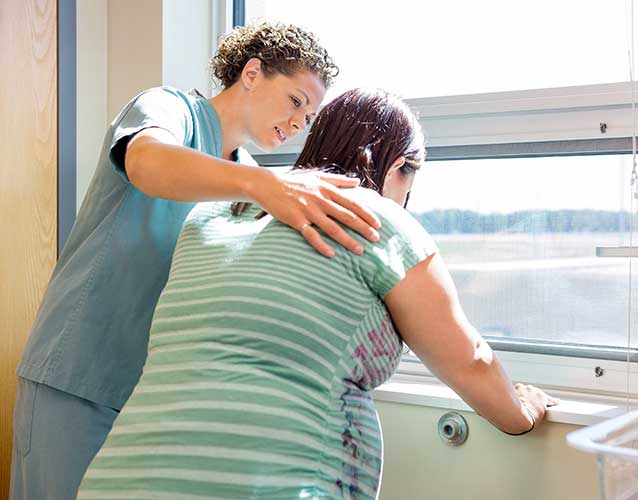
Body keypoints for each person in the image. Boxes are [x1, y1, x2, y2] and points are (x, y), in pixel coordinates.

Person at [76, 88, 557, 500]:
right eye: (413, 174)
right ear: (398, 166)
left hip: (118, 479)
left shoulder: (213, 216)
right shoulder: (376, 219)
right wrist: (523, 414)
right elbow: (469, 359)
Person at [11, 22, 383, 500]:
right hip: (80, 376)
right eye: (295, 101)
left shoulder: (250, 178)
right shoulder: (169, 110)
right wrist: (264, 186)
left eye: (308, 118)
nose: (298, 124)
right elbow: (146, 161)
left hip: (154, 402)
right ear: (252, 73)